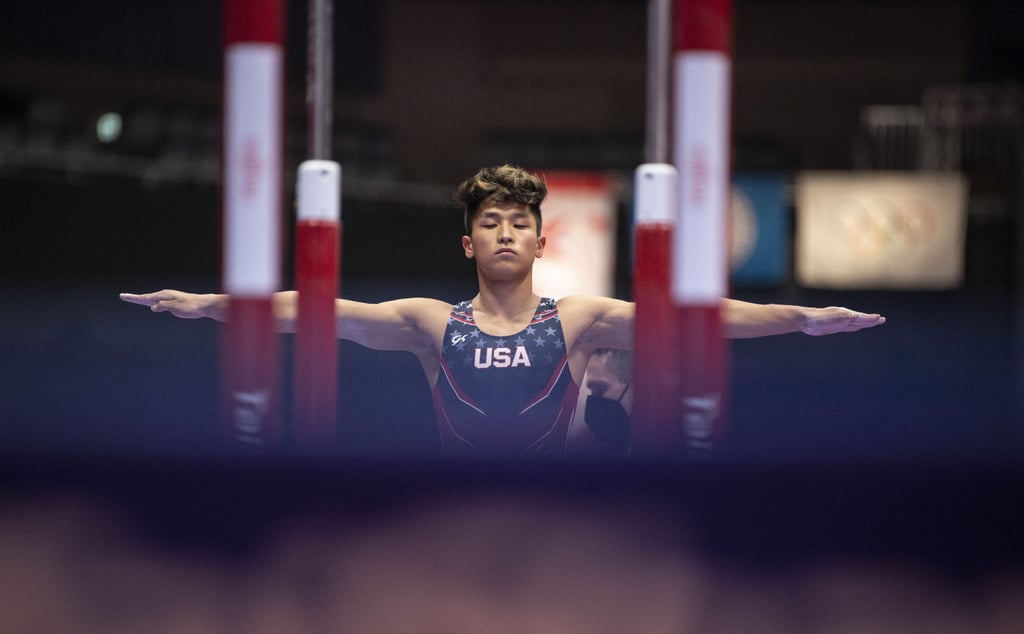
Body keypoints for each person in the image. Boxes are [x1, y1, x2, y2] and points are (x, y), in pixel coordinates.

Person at [121, 165, 885, 455]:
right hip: (458, 514)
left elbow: (697, 319)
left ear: (542, 240)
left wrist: (803, 319)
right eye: (491, 221)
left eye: (520, 221)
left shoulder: (578, 319)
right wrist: (207, 303)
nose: (506, 231)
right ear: (467, 243)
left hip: (567, 518)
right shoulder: (430, 324)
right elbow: (314, 312)